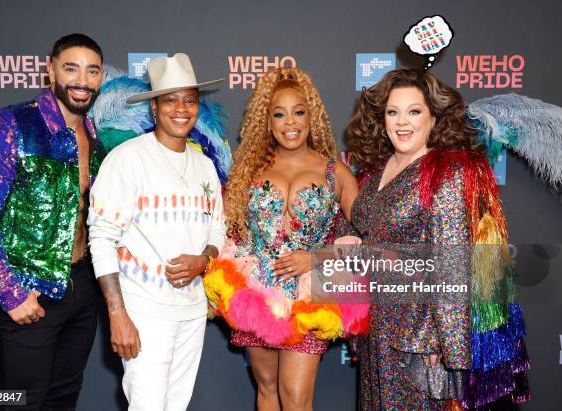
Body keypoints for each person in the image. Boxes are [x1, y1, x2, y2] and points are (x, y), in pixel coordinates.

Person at [345, 68, 530, 409]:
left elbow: (452, 267)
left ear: (433, 118)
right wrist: (347, 241)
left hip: (419, 344)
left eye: (414, 111)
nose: (403, 122)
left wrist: (449, 352)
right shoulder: (373, 174)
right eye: (392, 111)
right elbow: (361, 228)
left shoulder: (445, 173)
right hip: (375, 336)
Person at [0, 33, 105, 410]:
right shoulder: (12, 123)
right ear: (49, 70)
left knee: (65, 396)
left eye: (92, 71)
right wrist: (10, 292)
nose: (82, 81)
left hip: (83, 286)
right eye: (71, 68)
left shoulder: (94, 136)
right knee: (24, 402)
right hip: (31, 290)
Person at [212, 67, 364, 411]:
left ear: (312, 116)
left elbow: (366, 237)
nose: (290, 122)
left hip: (310, 295)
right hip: (257, 291)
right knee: (266, 388)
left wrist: (316, 258)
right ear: (267, 121)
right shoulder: (249, 169)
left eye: (298, 112)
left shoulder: (334, 171)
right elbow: (229, 228)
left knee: (295, 397)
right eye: (279, 114)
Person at [87, 53, 225, 411]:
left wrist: (204, 260)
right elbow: (101, 237)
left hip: (192, 311)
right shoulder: (128, 159)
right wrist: (118, 314)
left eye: (190, 100)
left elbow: (217, 229)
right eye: (170, 100)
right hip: (143, 310)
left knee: (176, 405)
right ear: (154, 108)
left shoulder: (205, 165)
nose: (181, 108)